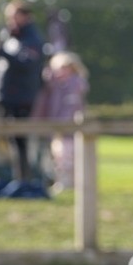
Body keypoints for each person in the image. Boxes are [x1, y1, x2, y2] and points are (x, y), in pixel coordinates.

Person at [0, 0, 45, 182]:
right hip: (7, 98)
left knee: (21, 141)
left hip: (21, 98)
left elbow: (25, 63)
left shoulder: (32, 39)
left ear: (26, 17)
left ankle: (25, 180)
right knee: (14, 141)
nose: (10, 21)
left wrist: (1, 50)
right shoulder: (12, 37)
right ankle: (19, 179)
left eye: (14, 17)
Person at [32, 51, 89, 191]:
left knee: (67, 157)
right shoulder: (55, 87)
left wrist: (63, 124)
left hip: (67, 128)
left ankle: (67, 183)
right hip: (56, 127)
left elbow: (71, 108)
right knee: (59, 157)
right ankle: (64, 182)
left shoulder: (73, 85)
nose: (60, 73)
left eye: (64, 69)